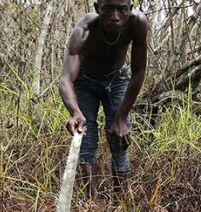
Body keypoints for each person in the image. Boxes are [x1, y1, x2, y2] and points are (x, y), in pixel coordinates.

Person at [59, 0, 148, 200]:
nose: (114, 16)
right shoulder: (85, 30)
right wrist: (76, 112)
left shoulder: (138, 23)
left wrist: (121, 118)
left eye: (122, 9)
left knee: (119, 138)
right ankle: (92, 207)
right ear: (97, 8)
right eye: (108, 8)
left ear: (130, 9)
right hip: (85, 81)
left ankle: (119, 203)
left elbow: (139, 71)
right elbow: (66, 79)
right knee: (85, 136)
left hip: (118, 79)